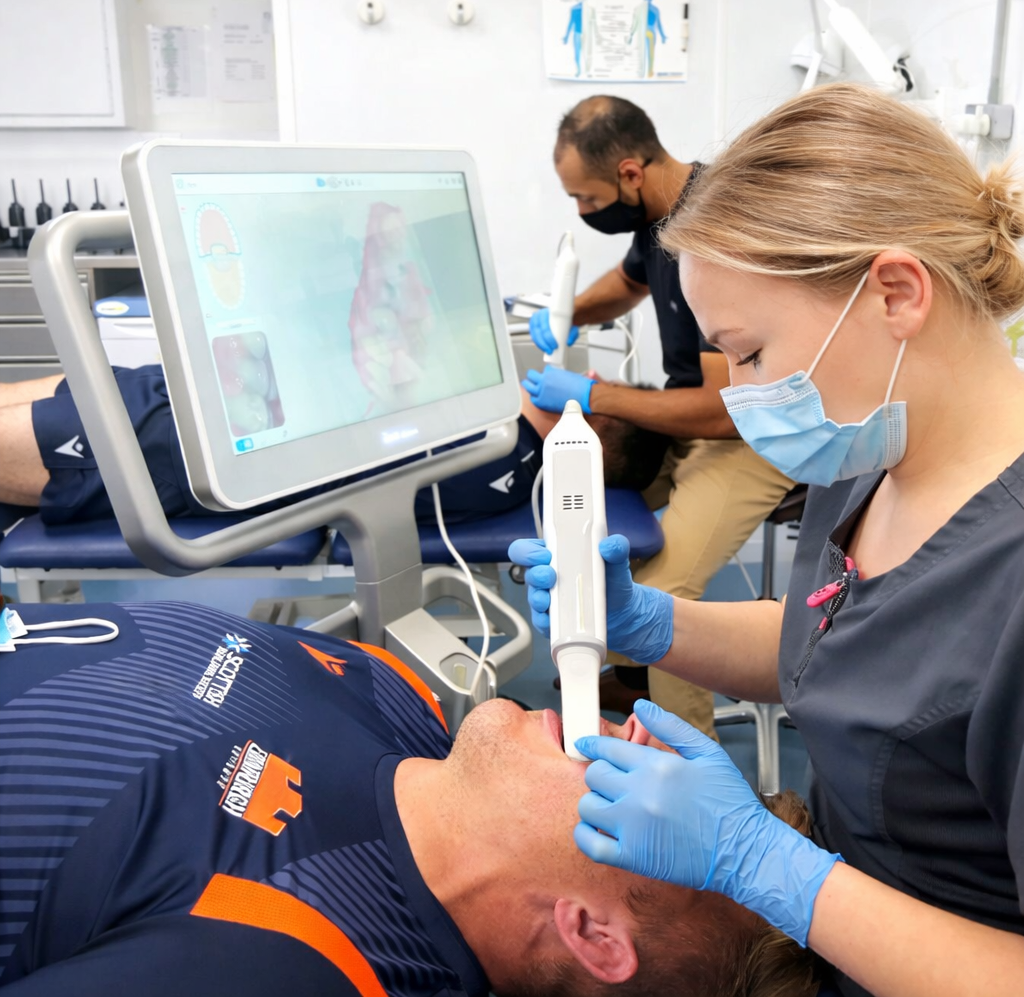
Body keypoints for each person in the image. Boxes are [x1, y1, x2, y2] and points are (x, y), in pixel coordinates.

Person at [511, 82, 1024, 997]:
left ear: (896, 292)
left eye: (748, 353)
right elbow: (835, 639)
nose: (740, 392)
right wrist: (649, 623)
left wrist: (765, 865)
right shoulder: (872, 455)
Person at [0, 598, 818, 996]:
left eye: (673, 811)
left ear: (593, 933)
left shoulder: (305, 965)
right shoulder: (394, 695)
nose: (655, 738)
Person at [525, 95, 793, 734]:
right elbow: (628, 284)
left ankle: (682, 766)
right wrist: (564, 315)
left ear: (629, 174)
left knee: (668, 588)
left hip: (751, 436)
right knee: (586, 513)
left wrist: (594, 397)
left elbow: (725, 412)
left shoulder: (715, 232)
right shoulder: (661, 218)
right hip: (693, 423)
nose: (584, 212)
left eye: (586, 199)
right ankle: (638, 677)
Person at [0, 366, 669, 529]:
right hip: (207, 391)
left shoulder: (496, 457)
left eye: (599, 392)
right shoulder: (504, 417)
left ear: (597, 429)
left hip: (177, 451)